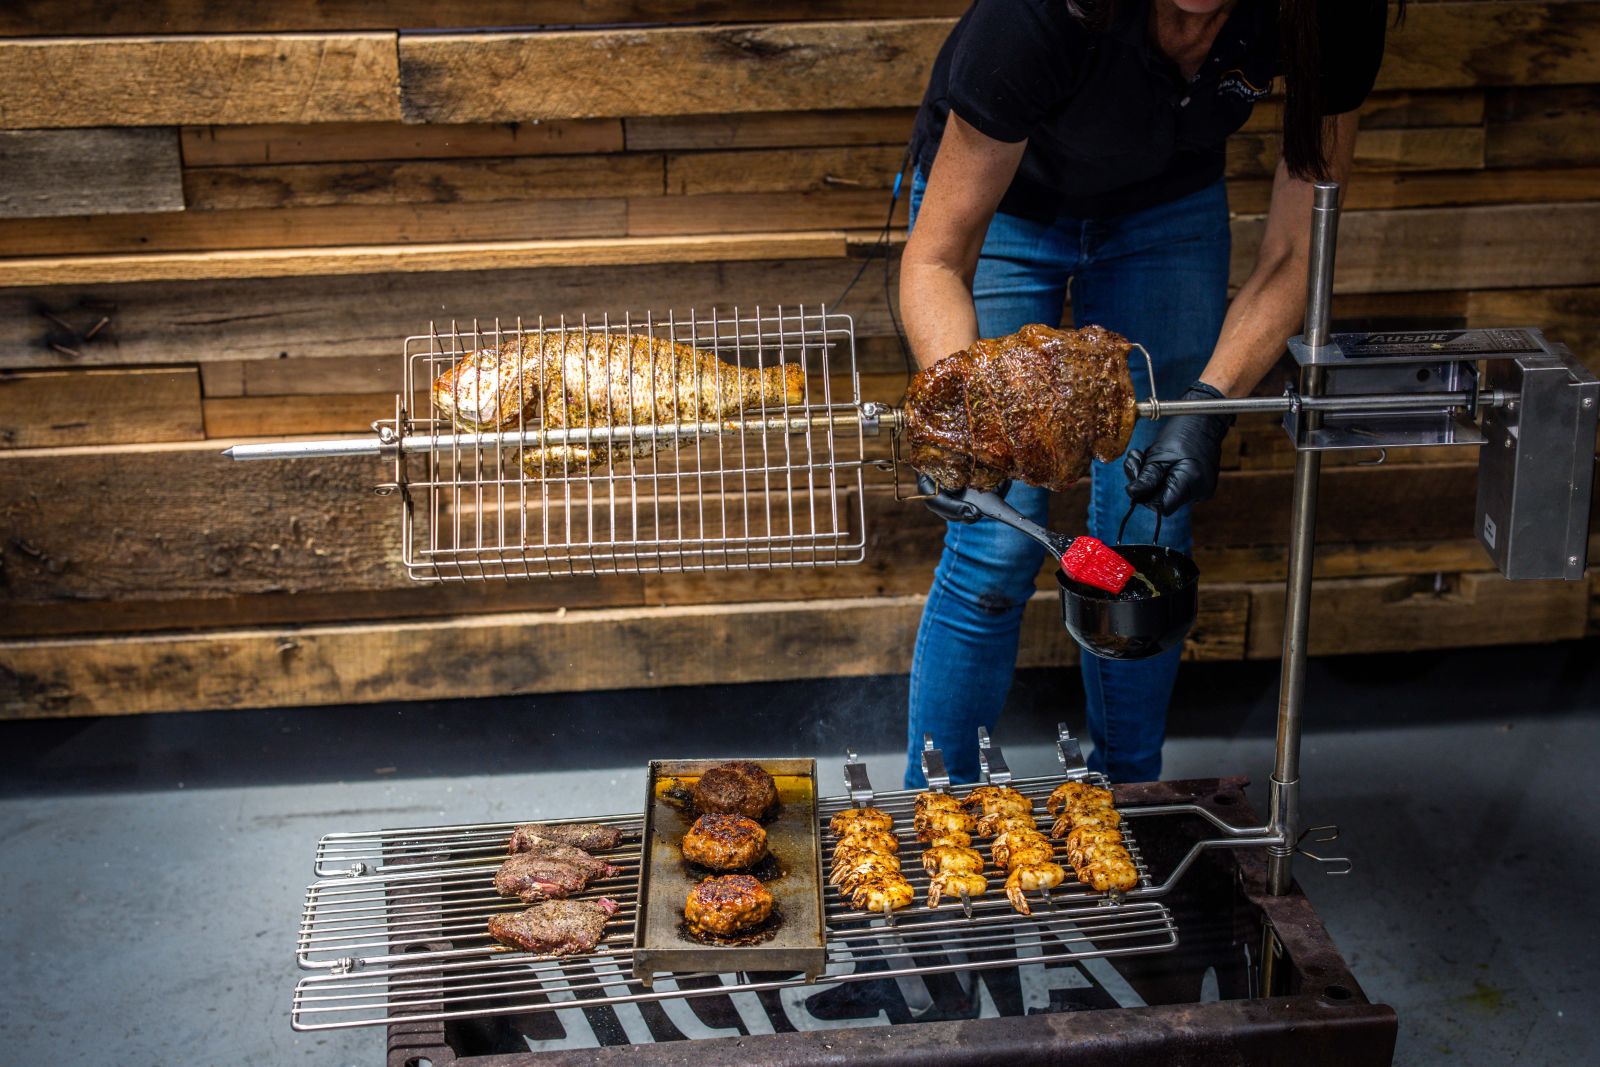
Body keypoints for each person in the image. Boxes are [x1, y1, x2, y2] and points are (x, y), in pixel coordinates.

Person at [900, 0, 1394, 787]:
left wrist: (1206, 406)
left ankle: (1131, 804)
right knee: (994, 540)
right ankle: (938, 812)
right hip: (1008, 202)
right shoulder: (1030, 19)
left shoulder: (1327, 13)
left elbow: (1300, 251)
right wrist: (961, 417)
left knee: (1149, 534)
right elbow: (937, 262)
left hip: (1165, 208)